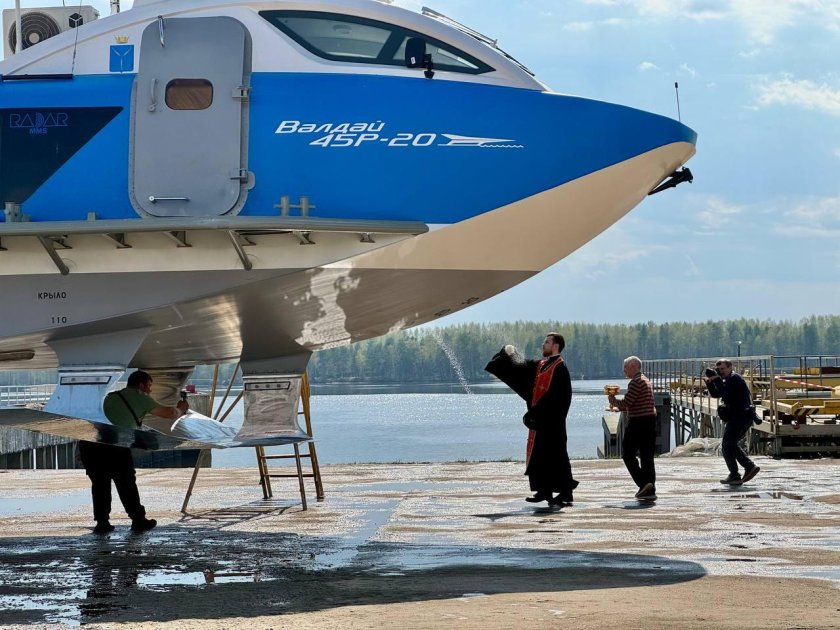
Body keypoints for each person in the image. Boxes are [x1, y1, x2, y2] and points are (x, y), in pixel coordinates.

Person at [78, 370, 189, 534]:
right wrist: (181, 409)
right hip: (115, 445)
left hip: (91, 445)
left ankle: (102, 523)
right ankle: (138, 520)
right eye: (149, 386)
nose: (150, 391)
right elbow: (169, 413)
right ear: (141, 385)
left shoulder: (111, 397)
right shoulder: (138, 395)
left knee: (100, 485)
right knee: (126, 483)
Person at [521, 333, 577, 506]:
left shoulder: (560, 367)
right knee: (541, 457)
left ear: (556, 345)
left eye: (546, 342)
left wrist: (537, 411)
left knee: (557, 457)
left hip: (554, 422)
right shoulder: (543, 365)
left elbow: (557, 396)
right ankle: (544, 491)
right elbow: (529, 375)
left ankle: (566, 493)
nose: (542, 345)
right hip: (542, 422)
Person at [703, 359, 760, 485]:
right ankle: (737, 473)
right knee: (729, 444)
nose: (721, 372)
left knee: (728, 444)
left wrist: (716, 378)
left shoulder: (734, 378)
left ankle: (746, 468)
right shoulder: (727, 380)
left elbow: (725, 393)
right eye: (719, 370)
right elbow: (717, 394)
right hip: (737, 417)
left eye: (723, 369)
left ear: (730, 368)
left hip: (741, 416)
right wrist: (710, 383)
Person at [608, 356, 658, 500]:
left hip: (638, 423)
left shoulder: (636, 382)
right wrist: (621, 408)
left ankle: (644, 484)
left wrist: (612, 400)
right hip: (649, 421)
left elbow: (627, 402)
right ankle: (650, 489)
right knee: (647, 457)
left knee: (628, 454)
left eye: (625, 367)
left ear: (633, 366)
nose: (624, 370)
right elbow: (637, 403)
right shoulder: (646, 380)